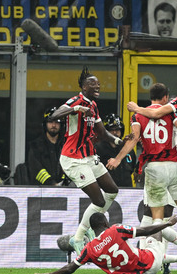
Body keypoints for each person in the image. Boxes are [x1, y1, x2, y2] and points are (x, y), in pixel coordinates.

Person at [109, 82, 177, 274]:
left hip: (154, 168)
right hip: (175, 166)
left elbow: (134, 139)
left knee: (155, 218)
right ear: (166, 97)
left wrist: (117, 159)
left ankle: (154, 262)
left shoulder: (138, 114)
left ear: (150, 96)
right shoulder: (171, 112)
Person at [50, 66, 124, 254]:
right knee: (98, 200)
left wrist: (117, 140)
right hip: (73, 158)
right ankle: (78, 238)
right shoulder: (77, 100)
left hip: (89, 156)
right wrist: (76, 108)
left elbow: (101, 132)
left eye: (98, 83)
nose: (97, 86)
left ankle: (89, 230)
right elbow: (55, 115)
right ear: (84, 87)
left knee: (112, 190)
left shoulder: (93, 105)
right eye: (93, 84)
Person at [46, 213, 177, 274]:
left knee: (141, 250)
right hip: (150, 262)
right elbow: (145, 230)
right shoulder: (115, 230)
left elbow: (70, 268)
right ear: (105, 222)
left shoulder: (90, 249)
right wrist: (168, 223)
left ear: (92, 229)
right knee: (157, 224)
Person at [27, 107, 66, 186]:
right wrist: (52, 184)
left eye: (57, 122)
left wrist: (64, 182)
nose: (54, 125)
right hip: (41, 190)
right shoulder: (35, 145)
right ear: (45, 124)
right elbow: (35, 168)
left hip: (65, 189)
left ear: (61, 125)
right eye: (50, 122)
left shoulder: (66, 145)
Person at [95, 114, 135, 187]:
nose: (114, 133)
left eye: (117, 129)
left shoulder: (128, 149)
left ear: (121, 130)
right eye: (111, 130)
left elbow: (132, 168)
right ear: (106, 131)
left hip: (127, 192)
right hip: (105, 191)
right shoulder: (98, 148)